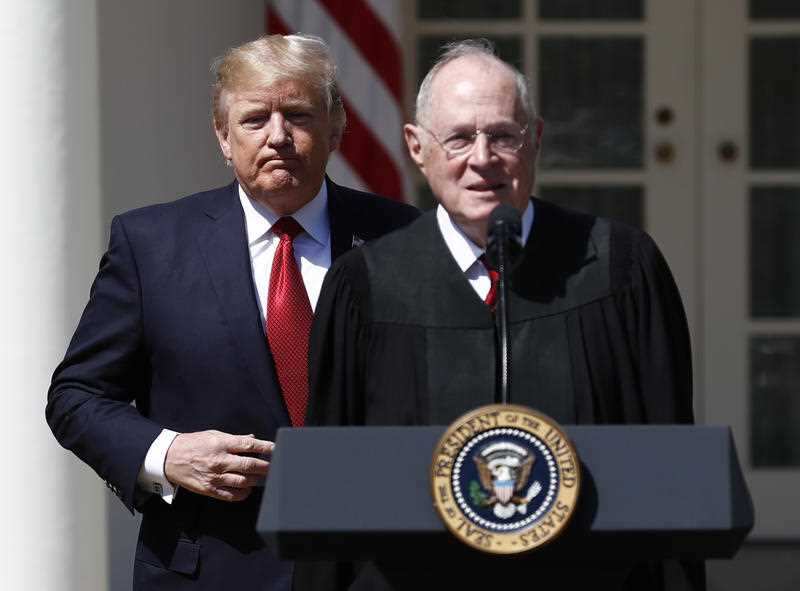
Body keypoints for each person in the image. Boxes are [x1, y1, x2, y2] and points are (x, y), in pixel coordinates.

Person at [306, 40, 703, 589]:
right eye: (459, 138)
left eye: (502, 135)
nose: (482, 158)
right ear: (417, 148)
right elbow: (330, 487)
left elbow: (672, 465)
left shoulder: (619, 268)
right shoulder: (365, 285)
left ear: (535, 139)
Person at [46, 34, 418, 591]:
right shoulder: (151, 244)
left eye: (298, 115)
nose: (278, 136)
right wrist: (167, 453)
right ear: (223, 136)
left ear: (337, 129)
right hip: (208, 567)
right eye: (254, 119)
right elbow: (76, 396)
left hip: (372, 569)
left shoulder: (404, 239)